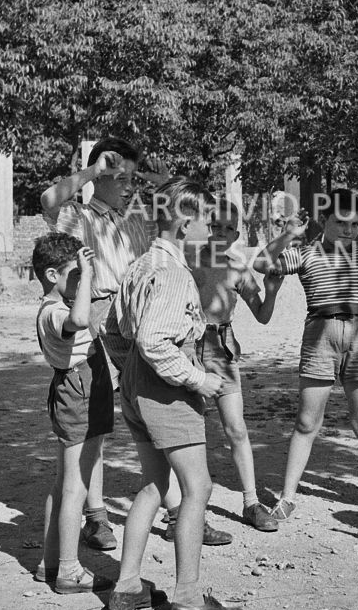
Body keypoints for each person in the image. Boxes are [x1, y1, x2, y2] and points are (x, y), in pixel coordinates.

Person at [39, 138, 231, 551]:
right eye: (118, 178)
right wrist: (93, 171)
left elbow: (175, 205)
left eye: (131, 178)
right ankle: (96, 516)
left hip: (133, 316)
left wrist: (146, 174)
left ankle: (182, 510)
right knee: (95, 418)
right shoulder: (78, 216)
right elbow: (49, 199)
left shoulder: (137, 218)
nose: (127, 186)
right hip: (94, 313)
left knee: (152, 405)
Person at [105, 177, 244, 610]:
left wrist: (132, 374)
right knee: (197, 488)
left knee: (154, 485)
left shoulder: (139, 265)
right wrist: (196, 379)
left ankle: (126, 585)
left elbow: (113, 326)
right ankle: (187, 597)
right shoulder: (173, 274)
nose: (211, 227)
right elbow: (154, 339)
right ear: (185, 222)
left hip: (136, 383)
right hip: (167, 387)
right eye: (207, 218)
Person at [257, 188, 358, 523]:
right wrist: (288, 233)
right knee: (306, 422)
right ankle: (287, 498)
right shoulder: (306, 253)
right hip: (319, 337)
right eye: (341, 222)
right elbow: (262, 263)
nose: (349, 230)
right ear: (324, 221)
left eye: (355, 224)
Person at [188, 198, 288, 533]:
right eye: (216, 226)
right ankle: (187, 510)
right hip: (189, 348)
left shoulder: (239, 267)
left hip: (222, 348)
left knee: (237, 427)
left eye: (229, 228)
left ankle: (250, 502)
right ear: (207, 225)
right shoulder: (188, 258)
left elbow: (262, 314)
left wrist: (272, 290)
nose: (221, 233)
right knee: (189, 430)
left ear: (237, 232)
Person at [32, 232, 113, 595]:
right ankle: (68, 569)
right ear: (52, 275)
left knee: (64, 481)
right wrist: (87, 275)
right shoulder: (54, 312)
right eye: (75, 274)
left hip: (85, 383)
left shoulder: (60, 303)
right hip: (77, 388)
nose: (83, 281)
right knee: (74, 486)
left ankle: (50, 563)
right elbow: (80, 319)